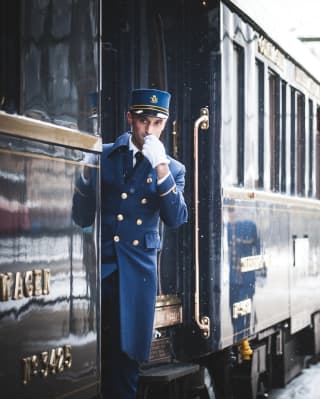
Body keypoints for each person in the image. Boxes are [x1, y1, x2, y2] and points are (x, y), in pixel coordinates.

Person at [72, 88, 188, 398]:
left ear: (164, 124)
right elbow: (81, 217)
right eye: (143, 121)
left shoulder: (173, 169)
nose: (149, 130)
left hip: (137, 277)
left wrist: (161, 167)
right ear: (130, 119)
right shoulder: (105, 155)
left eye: (156, 123)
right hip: (100, 274)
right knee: (90, 358)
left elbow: (176, 218)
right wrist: (84, 176)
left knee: (125, 365)